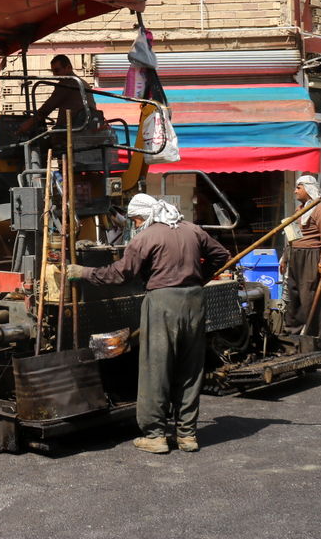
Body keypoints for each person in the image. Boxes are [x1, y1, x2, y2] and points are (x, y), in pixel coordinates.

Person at [68, 193, 230, 454]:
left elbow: (120, 274)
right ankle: (187, 435)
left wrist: (83, 272)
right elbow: (221, 255)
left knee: (157, 369)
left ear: (141, 216)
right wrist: (200, 278)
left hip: (163, 302)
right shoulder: (192, 229)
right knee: (190, 369)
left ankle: (155, 436)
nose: (134, 224)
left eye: (133, 220)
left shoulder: (145, 238)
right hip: (195, 302)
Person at [282, 175, 321, 344]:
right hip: (296, 256)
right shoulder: (301, 209)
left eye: (298, 187)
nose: (295, 191)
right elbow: (292, 235)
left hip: (312, 256)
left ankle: (316, 340)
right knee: (295, 297)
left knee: (312, 298)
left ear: (308, 188)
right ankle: (294, 336)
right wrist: (285, 257)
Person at [17, 55, 94, 136]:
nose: (54, 75)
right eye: (53, 71)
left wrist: (27, 124)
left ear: (68, 67)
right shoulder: (82, 82)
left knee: (40, 140)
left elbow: (47, 108)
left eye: (57, 71)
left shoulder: (67, 84)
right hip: (83, 128)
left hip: (74, 131)